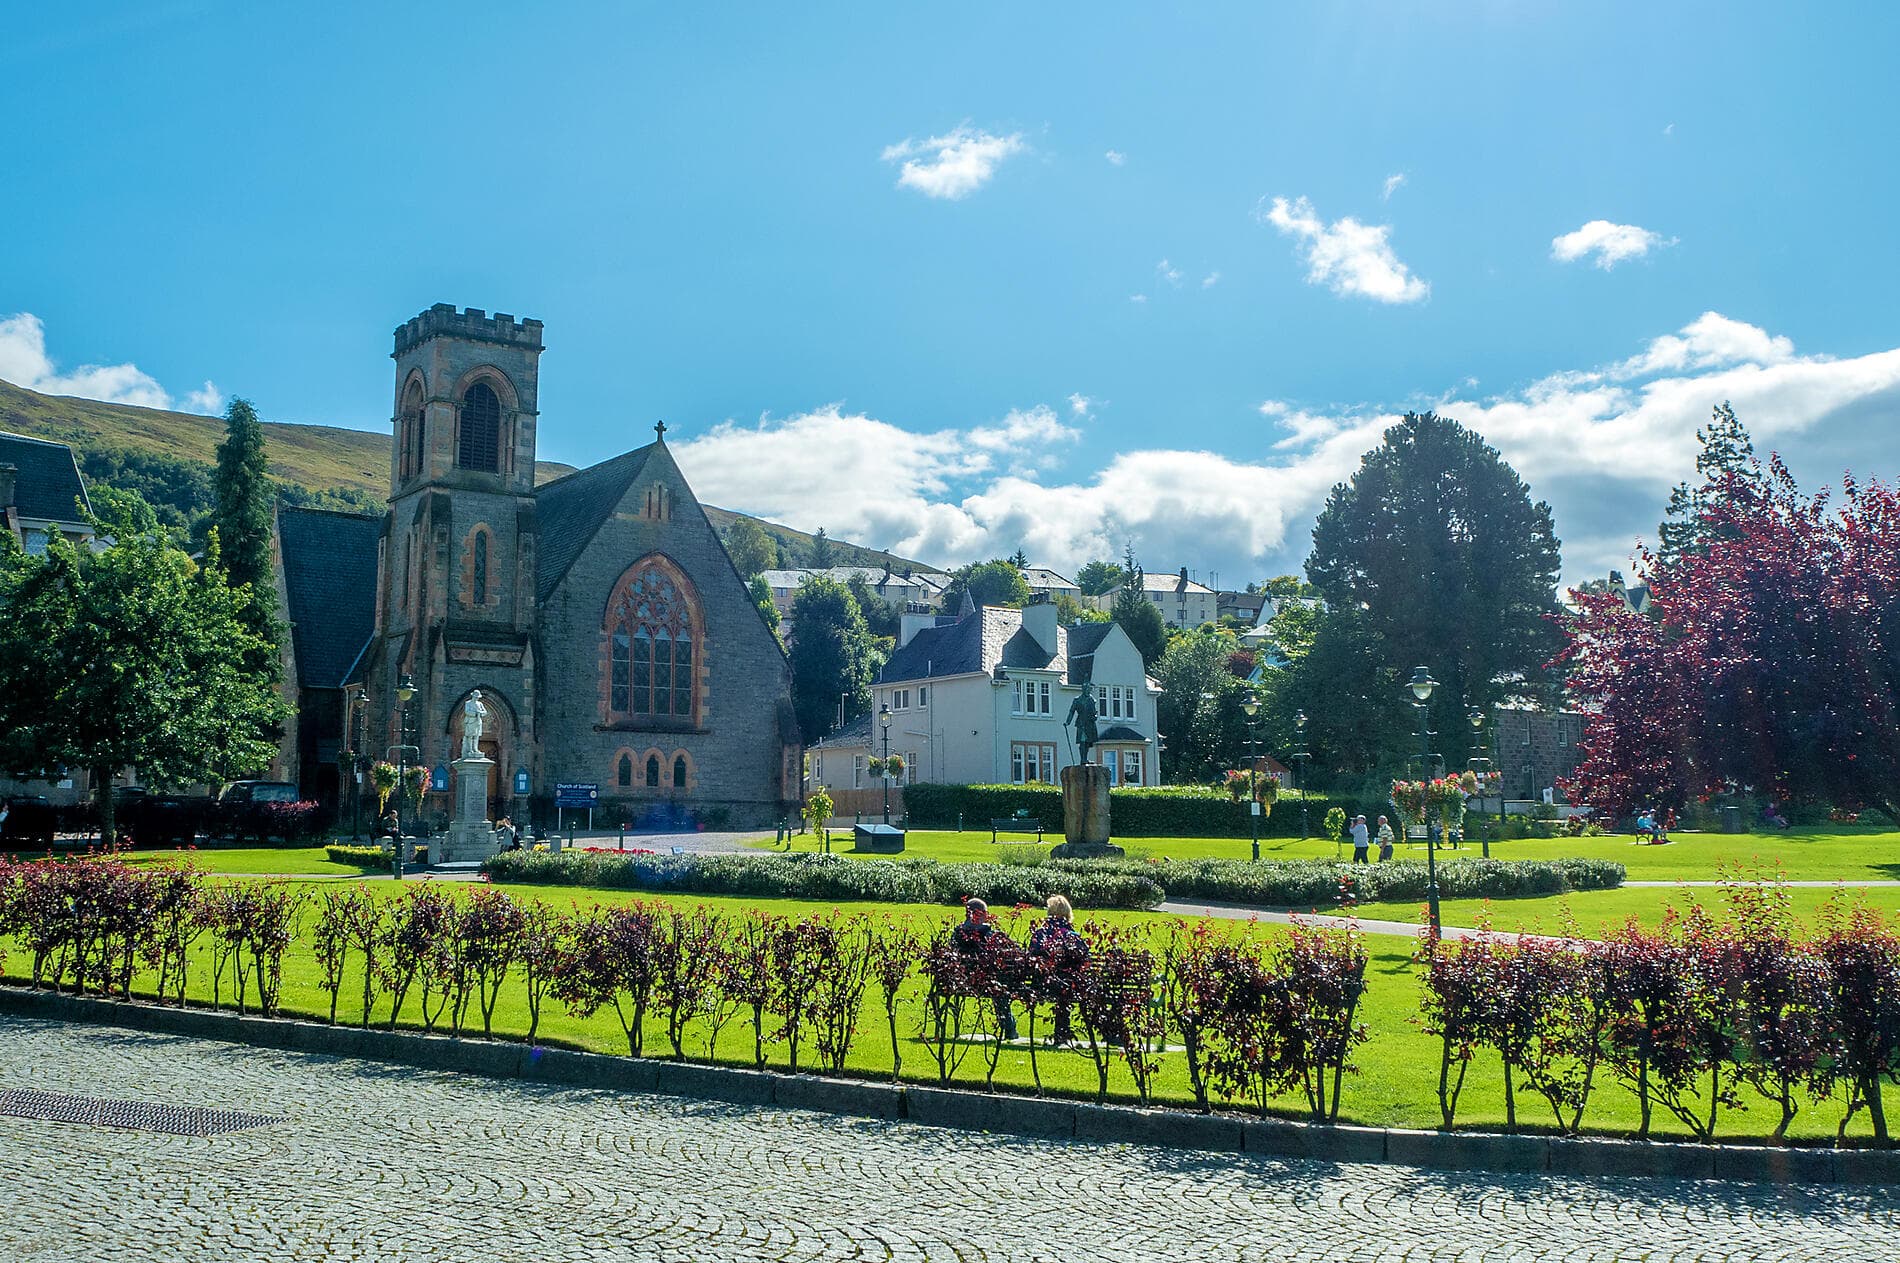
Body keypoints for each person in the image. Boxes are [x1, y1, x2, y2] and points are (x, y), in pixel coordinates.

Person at [951, 898, 1018, 1040]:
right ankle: (1009, 1028)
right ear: (983, 914)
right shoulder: (990, 935)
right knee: (1001, 989)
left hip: (961, 982)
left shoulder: (957, 934)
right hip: (988, 983)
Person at [1028, 894, 1088, 1045]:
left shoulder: (1039, 934)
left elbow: (1031, 957)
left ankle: (1061, 1035)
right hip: (1066, 986)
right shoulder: (1072, 936)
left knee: (1063, 988)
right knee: (1067, 989)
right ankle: (1062, 1034)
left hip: (1040, 985)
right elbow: (1085, 959)